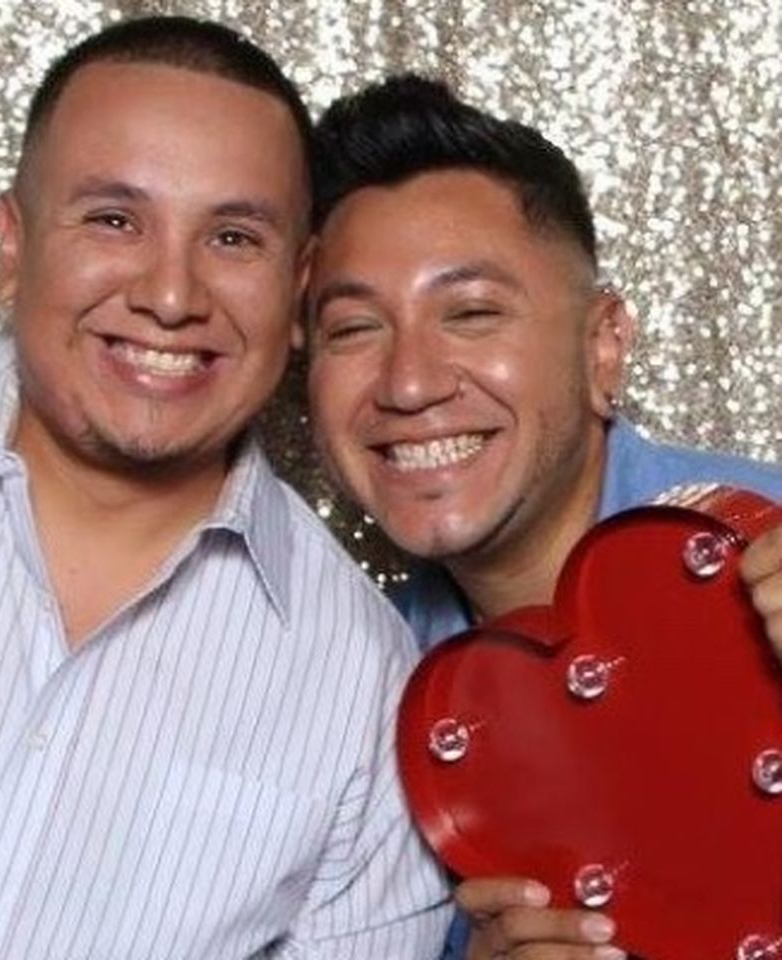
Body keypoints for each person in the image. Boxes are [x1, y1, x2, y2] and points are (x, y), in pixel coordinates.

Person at [0, 21, 453, 959]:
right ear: (11, 245)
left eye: (233, 238)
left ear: (298, 291)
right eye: (114, 220)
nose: (170, 296)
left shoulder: (366, 684)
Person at [306, 74, 782, 960]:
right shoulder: (342, 685)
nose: (409, 384)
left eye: (471, 313)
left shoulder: (765, 536)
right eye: (354, 330)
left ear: (603, 345)